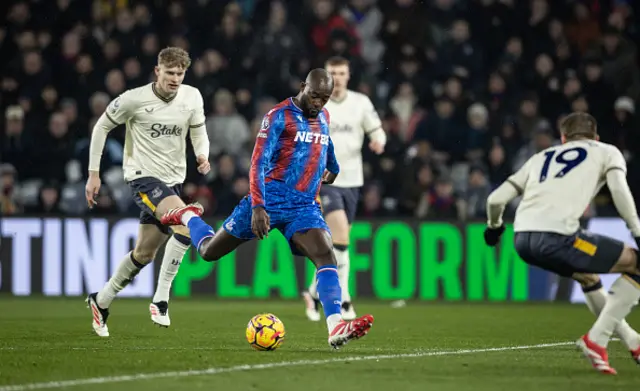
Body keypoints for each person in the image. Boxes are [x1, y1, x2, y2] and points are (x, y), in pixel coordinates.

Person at [161, 69, 374, 349]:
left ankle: (335, 326)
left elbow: (325, 141)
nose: (319, 103)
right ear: (302, 87)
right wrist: (259, 206)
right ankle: (188, 216)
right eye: (315, 96)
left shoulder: (323, 115)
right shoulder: (278, 116)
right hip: (268, 200)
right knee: (209, 251)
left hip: (303, 206)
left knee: (326, 255)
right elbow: (257, 163)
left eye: (325, 99)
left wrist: (333, 166)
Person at [484, 112, 640, 374]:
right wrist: (636, 229)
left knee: (589, 279)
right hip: (559, 238)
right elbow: (618, 190)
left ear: (563, 138)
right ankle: (597, 340)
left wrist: (494, 227)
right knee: (636, 264)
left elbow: (495, 200)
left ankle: (632, 340)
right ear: (596, 137)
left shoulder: (540, 157)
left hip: (522, 240)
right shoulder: (607, 151)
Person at [85, 47, 210, 337]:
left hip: (173, 181)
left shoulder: (192, 97)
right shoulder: (133, 99)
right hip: (143, 178)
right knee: (186, 221)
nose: (175, 79)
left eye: (180, 73)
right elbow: (101, 127)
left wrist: (202, 155)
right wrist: (93, 174)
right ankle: (161, 300)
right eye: (170, 73)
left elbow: (198, 130)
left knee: (144, 254)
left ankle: (101, 302)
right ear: (157, 71)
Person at [302, 56, 386, 321]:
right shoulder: (315, 104)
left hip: (353, 181)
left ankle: (313, 291)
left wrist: (379, 142)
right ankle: (345, 299)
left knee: (338, 244)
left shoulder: (361, 103)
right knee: (341, 240)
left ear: (348, 75)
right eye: (333, 73)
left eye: (341, 73)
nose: (337, 78)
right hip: (325, 181)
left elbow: (377, 130)